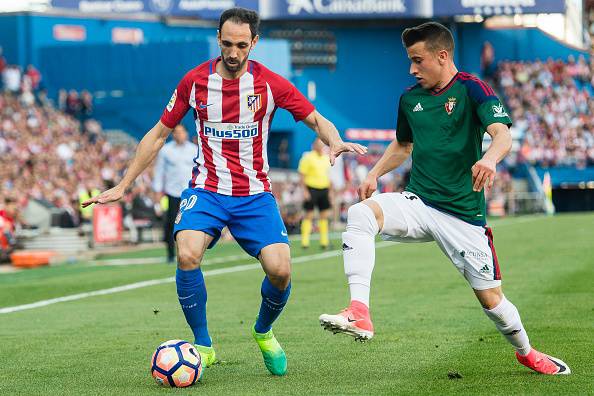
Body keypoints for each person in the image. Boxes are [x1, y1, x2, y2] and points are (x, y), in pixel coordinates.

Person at [82, 7, 366, 376]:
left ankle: (263, 332)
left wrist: (335, 139)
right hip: (207, 189)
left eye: (242, 45)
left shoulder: (270, 84)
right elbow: (157, 135)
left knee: (280, 270)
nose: (233, 53)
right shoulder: (195, 82)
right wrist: (123, 184)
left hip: (254, 194)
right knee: (187, 253)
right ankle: (203, 345)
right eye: (228, 43)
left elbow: (314, 118)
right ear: (218, 38)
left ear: (255, 43)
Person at [319, 22, 570, 376]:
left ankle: (527, 352)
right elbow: (403, 145)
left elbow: (502, 134)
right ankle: (359, 310)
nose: (411, 68)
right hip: (418, 203)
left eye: (418, 60)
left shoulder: (472, 89)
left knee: (492, 301)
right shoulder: (410, 99)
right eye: (410, 61)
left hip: (463, 218)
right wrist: (375, 173)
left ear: (442, 55)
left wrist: (489, 158)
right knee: (360, 214)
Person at [152, 124, 198, 262]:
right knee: (171, 222)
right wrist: (157, 190)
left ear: (186, 133)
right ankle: (171, 254)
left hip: (190, 192)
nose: (179, 135)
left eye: (182, 132)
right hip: (172, 191)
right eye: (176, 132)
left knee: (191, 223)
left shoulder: (194, 149)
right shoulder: (166, 151)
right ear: (173, 135)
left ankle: (191, 252)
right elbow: (159, 171)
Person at [298, 137, 332, 249]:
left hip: (324, 189)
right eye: (319, 144)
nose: (321, 146)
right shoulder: (307, 158)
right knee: (309, 215)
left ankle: (324, 242)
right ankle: (305, 242)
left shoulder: (326, 158)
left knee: (324, 215)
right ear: (314, 145)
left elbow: (327, 175)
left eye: (322, 144)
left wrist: (330, 191)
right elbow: (302, 176)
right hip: (311, 188)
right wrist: (305, 191)